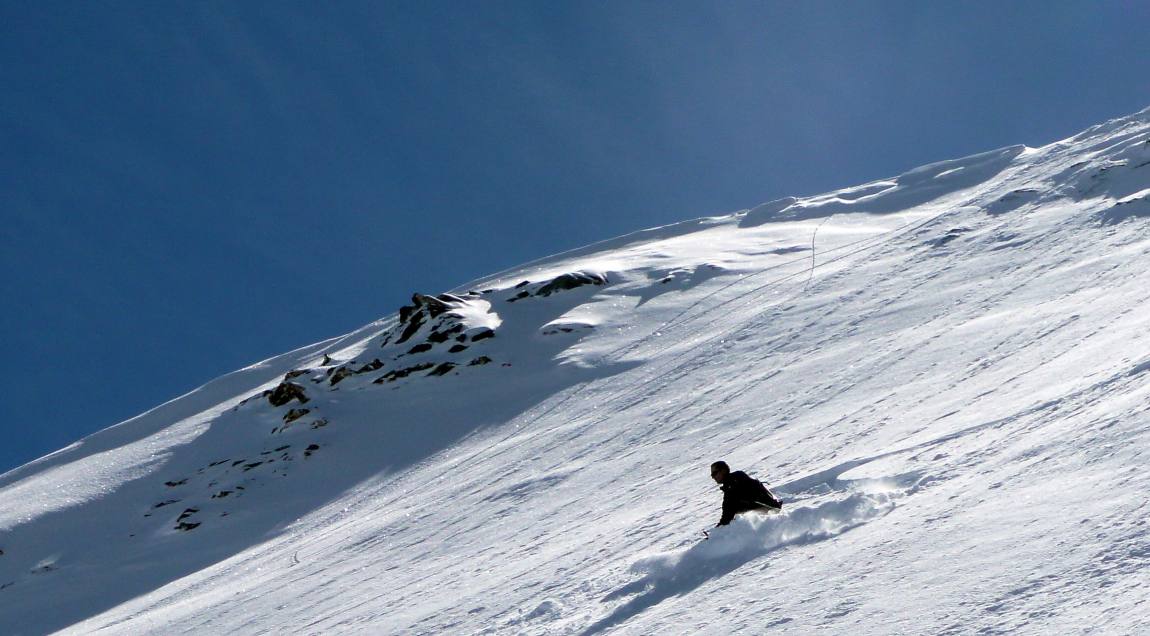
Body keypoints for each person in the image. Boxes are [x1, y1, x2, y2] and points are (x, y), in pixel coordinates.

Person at [710, 460, 782, 527]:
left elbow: (728, 510)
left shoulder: (732, 485)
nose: (713, 477)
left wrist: (720, 527)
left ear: (723, 471)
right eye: (712, 475)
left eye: (714, 473)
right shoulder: (737, 478)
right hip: (770, 509)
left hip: (766, 514)